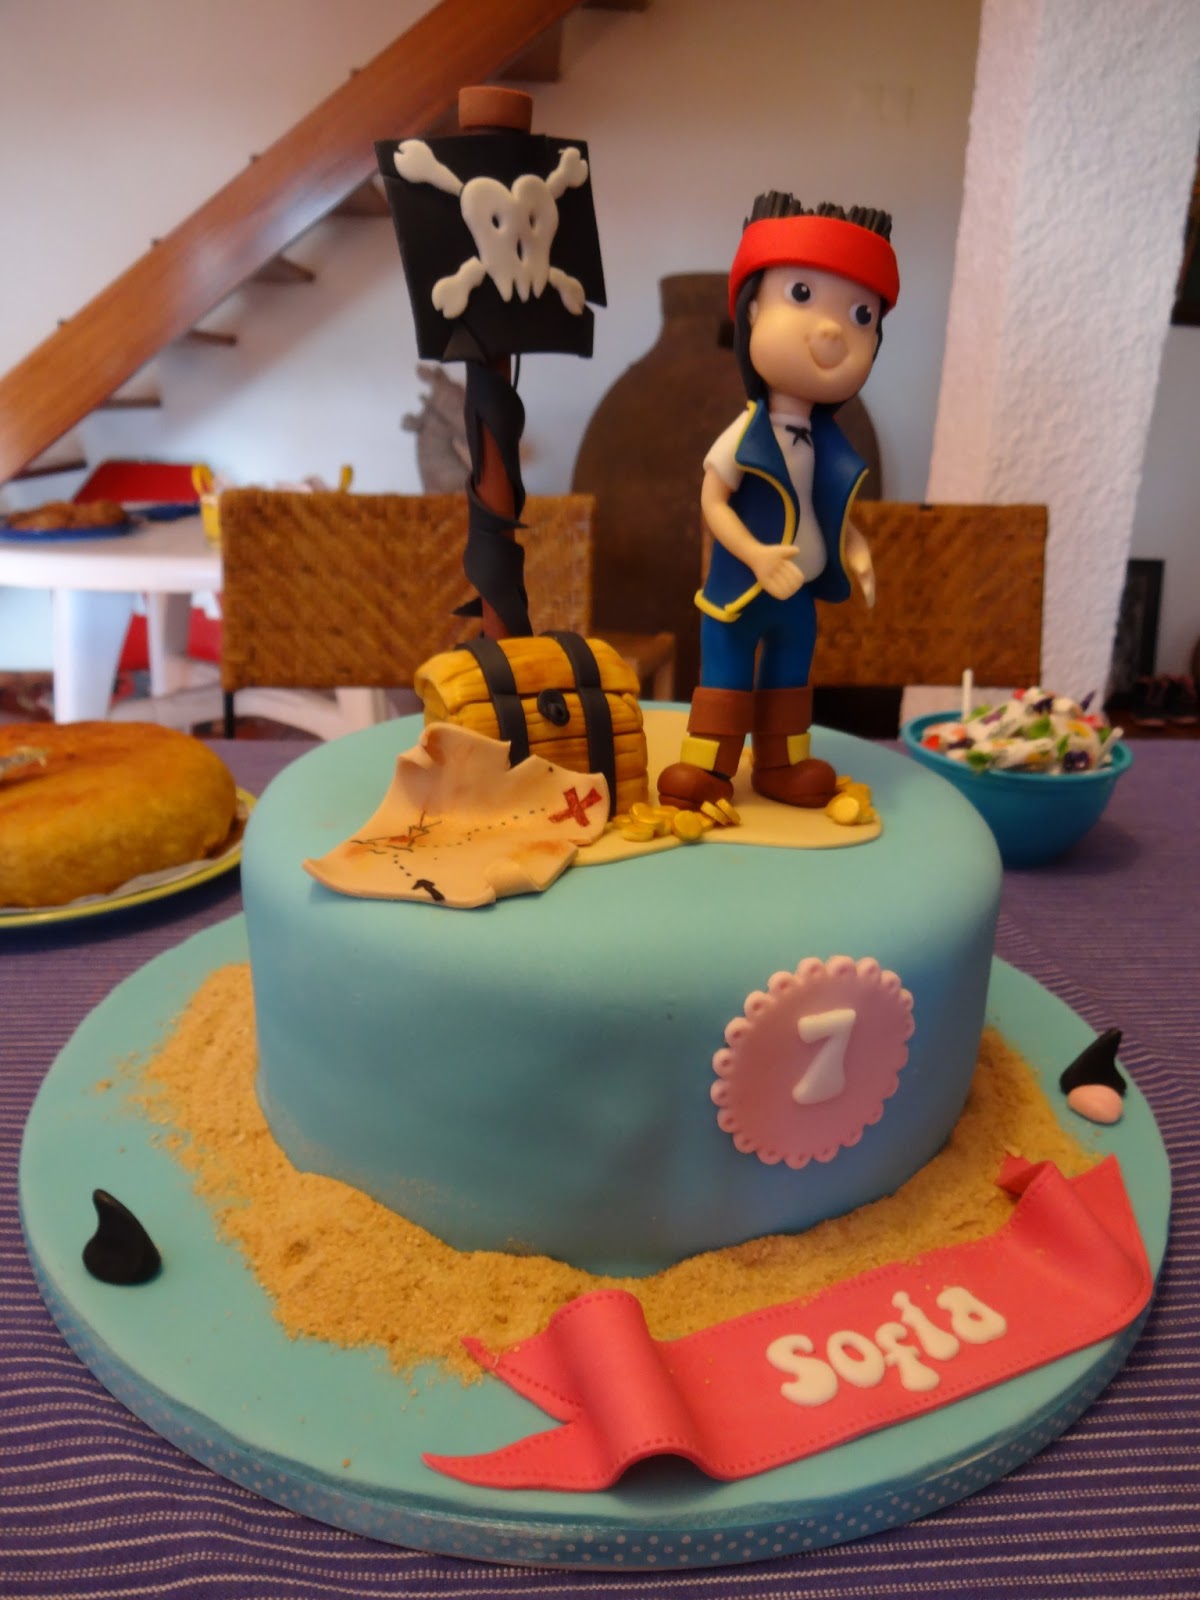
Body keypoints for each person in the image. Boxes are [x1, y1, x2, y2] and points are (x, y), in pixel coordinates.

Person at [658, 194, 900, 811]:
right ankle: (709, 768)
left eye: (861, 315)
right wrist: (756, 555)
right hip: (742, 589)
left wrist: (855, 549)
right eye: (801, 295)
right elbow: (713, 501)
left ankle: (781, 765)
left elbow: (824, 508)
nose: (832, 330)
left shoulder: (829, 444)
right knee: (727, 677)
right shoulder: (746, 432)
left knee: (790, 679)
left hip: (800, 594)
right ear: (752, 311)